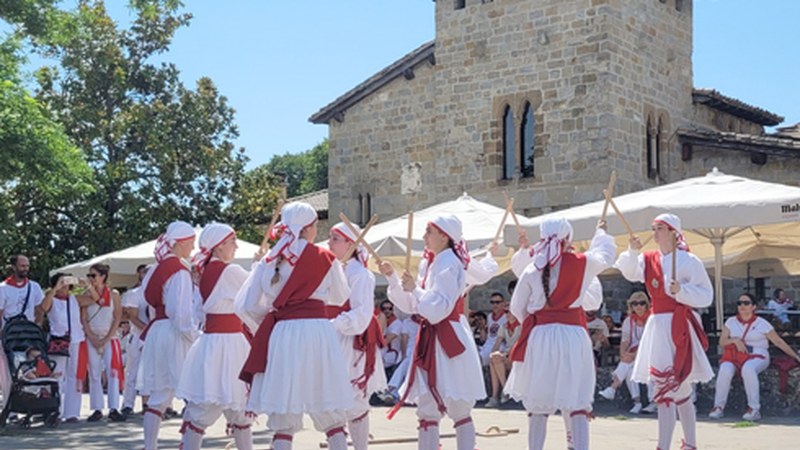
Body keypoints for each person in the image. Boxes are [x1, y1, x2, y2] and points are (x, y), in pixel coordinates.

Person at [235, 202, 353, 450]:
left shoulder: (270, 259)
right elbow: (341, 297)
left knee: (284, 415)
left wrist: (270, 321)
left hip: (284, 333)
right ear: (308, 228)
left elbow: (246, 305)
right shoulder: (325, 258)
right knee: (329, 409)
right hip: (318, 332)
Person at [504, 217, 615, 450]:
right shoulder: (582, 263)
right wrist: (601, 233)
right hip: (573, 336)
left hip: (540, 337)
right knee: (576, 400)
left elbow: (517, 308)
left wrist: (539, 321)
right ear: (568, 238)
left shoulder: (532, 268)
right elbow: (605, 255)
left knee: (538, 402)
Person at [379, 214, 485, 450]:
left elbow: (438, 309)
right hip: (431, 335)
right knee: (428, 404)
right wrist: (393, 278)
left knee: (458, 402)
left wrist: (415, 290)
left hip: (448, 335)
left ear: (444, 236)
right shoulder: (430, 262)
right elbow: (412, 306)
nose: (424, 236)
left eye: (429, 232)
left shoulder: (450, 263)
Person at [616, 213, 713, 450]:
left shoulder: (689, 261)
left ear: (672, 232)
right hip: (658, 326)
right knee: (663, 389)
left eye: (659, 228)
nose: (655, 233)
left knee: (682, 388)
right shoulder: (649, 259)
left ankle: (690, 443)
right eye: (654, 228)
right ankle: (664, 445)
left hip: (679, 325)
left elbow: (706, 295)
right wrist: (632, 251)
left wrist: (682, 290)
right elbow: (629, 272)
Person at [176, 223, 254, 450]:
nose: (236, 246)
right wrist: (261, 266)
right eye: (232, 242)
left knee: (204, 408)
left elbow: (200, 311)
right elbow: (256, 293)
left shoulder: (205, 271)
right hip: (230, 343)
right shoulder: (229, 271)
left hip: (211, 342)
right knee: (237, 408)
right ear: (219, 246)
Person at [325, 222, 387, 450]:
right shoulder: (331, 270)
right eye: (330, 237)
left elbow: (361, 314)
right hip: (330, 338)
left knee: (354, 400)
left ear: (351, 244)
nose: (329, 242)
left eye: (335, 238)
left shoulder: (361, 274)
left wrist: (333, 325)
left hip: (351, 343)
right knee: (331, 401)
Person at [138, 221, 198, 450]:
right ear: (180, 243)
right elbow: (180, 313)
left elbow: (149, 301)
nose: (193, 247)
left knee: (159, 394)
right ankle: (188, 443)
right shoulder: (180, 271)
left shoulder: (154, 269)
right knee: (192, 390)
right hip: (174, 332)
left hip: (157, 331)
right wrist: (194, 336)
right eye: (191, 242)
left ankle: (150, 446)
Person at [709, 292, 800, 421]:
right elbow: (722, 342)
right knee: (725, 369)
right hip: (736, 356)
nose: (742, 306)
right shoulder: (731, 322)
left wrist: (795, 355)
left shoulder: (762, 323)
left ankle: (754, 408)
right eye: (739, 303)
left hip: (758, 355)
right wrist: (735, 340)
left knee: (748, 369)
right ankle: (718, 407)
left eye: (746, 303)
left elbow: (778, 342)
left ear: (753, 307)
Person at [76, 263, 126, 422]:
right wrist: (92, 337)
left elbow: (117, 317)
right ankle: (97, 408)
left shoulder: (114, 294)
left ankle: (114, 407)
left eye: (94, 275)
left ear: (103, 277)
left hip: (110, 337)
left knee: (113, 372)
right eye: (89, 275)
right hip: (92, 336)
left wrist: (106, 338)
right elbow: (84, 318)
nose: (91, 278)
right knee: (94, 373)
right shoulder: (87, 294)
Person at [41, 273, 93, 422]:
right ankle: (55, 410)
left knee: (74, 376)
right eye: (62, 283)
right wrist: (55, 289)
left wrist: (87, 285)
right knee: (57, 375)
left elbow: (94, 299)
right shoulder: (52, 299)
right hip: (58, 340)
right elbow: (43, 308)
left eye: (66, 284)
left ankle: (71, 412)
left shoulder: (74, 299)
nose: (64, 287)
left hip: (75, 339)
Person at [598, 291, 656, 414]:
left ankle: (613, 388)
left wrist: (634, 355)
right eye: (635, 303)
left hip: (650, 352)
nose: (638, 306)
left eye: (642, 303)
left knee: (644, 368)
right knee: (629, 370)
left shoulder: (652, 319)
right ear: (631, 306)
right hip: (633, 352)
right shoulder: (628, 321)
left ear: (646, 305)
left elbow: (650, 341)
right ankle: (637, 402)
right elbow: (625, 340)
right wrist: (623, 353)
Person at [121, 264, 150, 416]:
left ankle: (149, 404)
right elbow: (132, 317)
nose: (147, 275)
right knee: (132, 371)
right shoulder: (134, 294)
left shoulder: (159, 292)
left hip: (153, 337)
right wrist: (149, 330)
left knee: (151, 372)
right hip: (138, 335)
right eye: (144, 272)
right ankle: (127, 404)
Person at [486, 312, 520, 408]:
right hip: (507, 355)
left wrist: (505, 354)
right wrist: (493, 354)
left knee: (496, 360)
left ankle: (495, 396)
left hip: (518, 356)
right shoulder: (504, 327)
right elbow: (497, 344)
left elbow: (521, 345)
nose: (507, 315)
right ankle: (505, 391)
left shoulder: (521, 326)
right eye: (506, 312)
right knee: (493, 359)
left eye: (510, 312)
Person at [0, 255, 45, 327]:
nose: (26, 269)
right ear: (14, 267)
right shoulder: (3, 288)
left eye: (27, 266)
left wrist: (38, 326)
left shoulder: (35, 286)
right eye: (22, 266)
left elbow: (40, 309)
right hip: (10, 330)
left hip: (29, 330)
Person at [479, 292, 508, 367]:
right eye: (492, 302)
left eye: (497, 302)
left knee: (479, 359)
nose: (495, 305)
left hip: (499, 346)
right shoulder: (489, 317)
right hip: (487, 345)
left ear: (503, 303)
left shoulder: (507, 317)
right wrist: (482, 327)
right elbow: (488, 336)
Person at [380, 300, 403, 374]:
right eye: (384, 309)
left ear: (393, 310)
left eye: (389, 309)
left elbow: (385, 341)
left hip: (391, 354)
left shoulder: (397, 323)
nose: (387, 311)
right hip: (383, 351)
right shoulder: (380, 321)